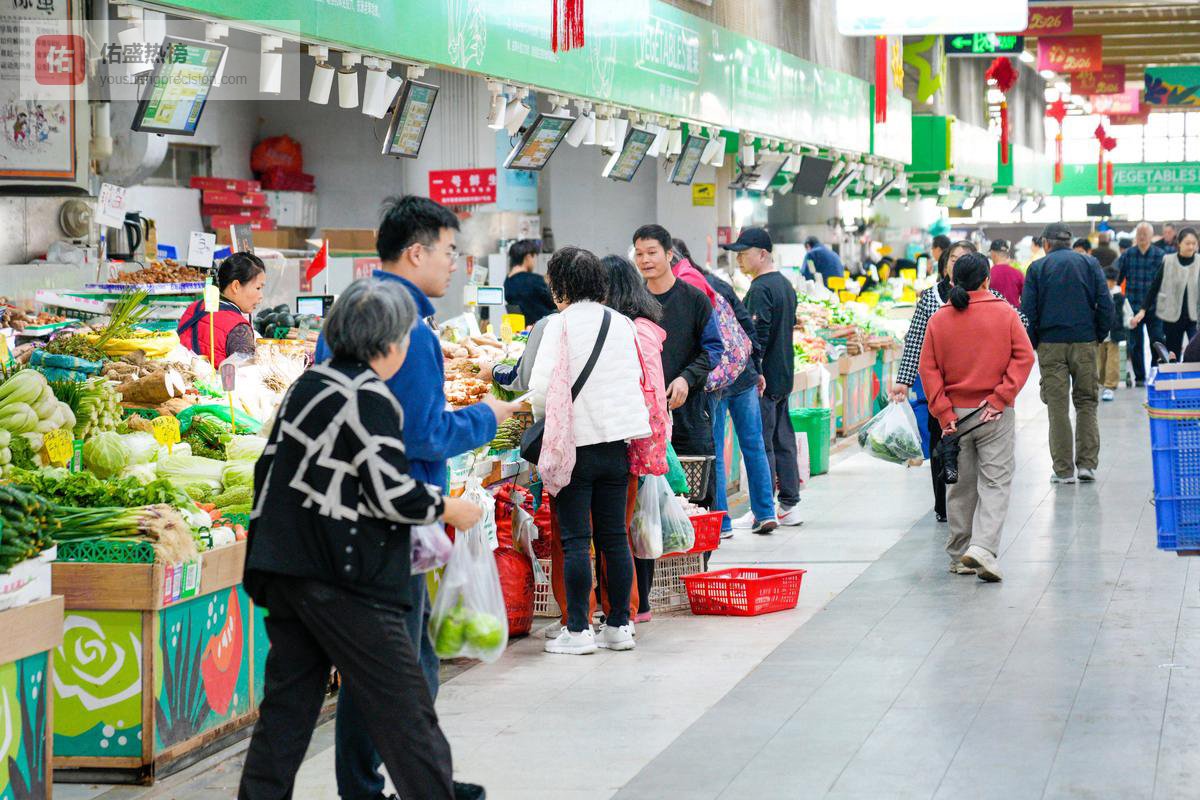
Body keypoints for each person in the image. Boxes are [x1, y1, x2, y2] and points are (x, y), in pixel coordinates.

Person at [238, 279, 487, 800]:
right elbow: (388, 491)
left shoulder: (309, 384)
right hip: (343, 575)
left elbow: (272, 470)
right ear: (389, 345)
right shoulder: (367, 394)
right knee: (405, 708)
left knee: (286, 713)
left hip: (285, 567)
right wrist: (449, 508)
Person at [314, 196, 518, 800]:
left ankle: (378, 784)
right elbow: (421, 434)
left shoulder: (350, 308)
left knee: (379, 664)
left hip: (349, 509)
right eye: (450, 252)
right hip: (393, 515)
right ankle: (415, 787)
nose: (455, 264)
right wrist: (488, 415)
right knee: (407, 667)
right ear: (416, 252)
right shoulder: (408, 325)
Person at [527, 247, 650, 655]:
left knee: (577, 538)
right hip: (616, 444)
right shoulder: (621, 323)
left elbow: (542, 390)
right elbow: (633, 377)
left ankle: (579, 630)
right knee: (615, 536)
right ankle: (618, 626)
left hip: (573, 447)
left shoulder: (558, 326)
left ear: (561, 285)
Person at [918, 253, 1034, 582]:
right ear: (986, 280)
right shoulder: (1004, 313)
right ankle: (982, 548)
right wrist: (1001, 397)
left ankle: (958, 555)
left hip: (955, 418)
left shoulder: (939, 319)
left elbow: (928, 368)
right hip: (993, 415)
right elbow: (1024, 357)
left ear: (954, 281)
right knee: (995, 482)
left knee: (960, 487)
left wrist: (943, 412)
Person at [633, 224, 716, 613]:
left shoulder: (694, 300)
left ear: (669, 254)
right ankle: (652, 587)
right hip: (647, 423)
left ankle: (695, 578)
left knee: (697, 495)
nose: (645, 260)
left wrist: (686, 378)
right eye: (639, 253)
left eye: (652, 252)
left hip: (689, 414)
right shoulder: (632, 303)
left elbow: (712, 349)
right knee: (648, 502)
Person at [1021, 223, 1114, 485]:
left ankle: (1063, 471)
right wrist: (1097, 334)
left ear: (1046, 244)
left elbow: (1027, 311)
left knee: (1058, 408)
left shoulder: (1037, 268)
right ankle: (1086, 466)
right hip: (1084, 341)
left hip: (1051, 344)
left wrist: (1036, 342)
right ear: (1070, 242)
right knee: (1086, 403)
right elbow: (1105, 303)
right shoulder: (1090, 264)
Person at [724, 227, 803, 527]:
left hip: (764, 379)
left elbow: (756, 338)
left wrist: (754, 373)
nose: (739, 260)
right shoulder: (784, 284)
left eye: (744, 254)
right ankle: (789, 505)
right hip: (783, 374)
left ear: (763, 254)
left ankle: (765, 507)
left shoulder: (759, 289)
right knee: (783, 440)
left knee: (764, 442)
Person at [177, 252, 265, 365]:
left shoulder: (194, 307)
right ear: (236, 286)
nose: (261, 295)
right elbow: (246, 376)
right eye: (258, 288)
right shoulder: (239, 328)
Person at [1134, 226, 1200, 362]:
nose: (1191, 246)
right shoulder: (1168, 261)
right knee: (1172, 355)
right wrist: (1143, 310)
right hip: (1172, 317)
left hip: (1195, 318)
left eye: (1194, 243)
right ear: (1179, 243)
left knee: (1195, 353)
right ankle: (1173, 382)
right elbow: (1155, 286)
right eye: (1188, 243)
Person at [1118, 221, 1166, 385]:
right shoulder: (1128, 255)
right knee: (1135, 344)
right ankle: (1139, 377)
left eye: (1145, 234)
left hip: (1155, 307)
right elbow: (1117, 277)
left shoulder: (1160, 255)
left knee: (1157, 340)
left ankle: (1154, 372)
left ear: (1151, 236)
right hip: (1133, 307)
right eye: (1139, 234)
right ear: (1136, 236)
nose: (1142, 237)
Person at [503, 239, 555, 327]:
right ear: (528, 257)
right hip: (542, 329)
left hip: (521, 331)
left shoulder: (507, 282)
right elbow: (554, 302)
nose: (534, 261)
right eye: (534, 257)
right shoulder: (534, 280)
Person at [1098, 264, 1130, 402]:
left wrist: (1130, 322)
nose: (1109, 283)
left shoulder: (1120, 297)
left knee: (1113, 360)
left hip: (1115, 335)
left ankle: (1110, 386)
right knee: (1099, 360)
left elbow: (1127, 313)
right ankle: (1100, 383)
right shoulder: (1098, 295)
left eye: (1111, 281)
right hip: (1099, 335)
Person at [987, 239, 1024, 308]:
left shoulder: (988, 274)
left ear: (993, 254)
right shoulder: (1018, 273)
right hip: (1014, 315)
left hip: (995, 313)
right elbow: (1025, 297)